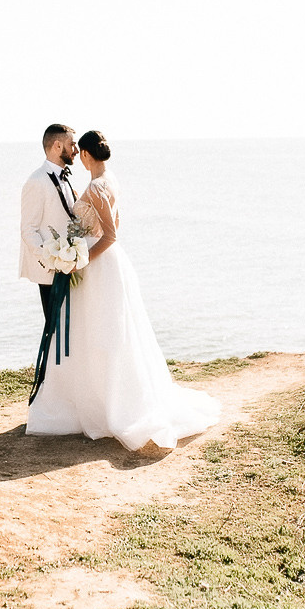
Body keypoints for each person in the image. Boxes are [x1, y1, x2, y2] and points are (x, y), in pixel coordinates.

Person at [25, 130, 220, 452]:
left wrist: (81, 260)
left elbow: (110, 235)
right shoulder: (109, 179)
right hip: (107, 264)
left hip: (98, 266)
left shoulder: (97, 187)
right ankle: (99, 397)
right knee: (104, 332)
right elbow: (115, 225)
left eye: (78, 149)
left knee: (100, 333)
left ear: (86, 154)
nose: (75, 153)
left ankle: (106, 404)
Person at [20, 124, 81, 335]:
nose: (76, 150)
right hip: (49, 272)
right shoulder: (36, 181)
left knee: (70, 330)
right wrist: (51, 262)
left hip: (69, 267)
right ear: (57, 146)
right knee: (55, 332)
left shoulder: (65, 178)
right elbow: (28, 230)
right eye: (72, 144)